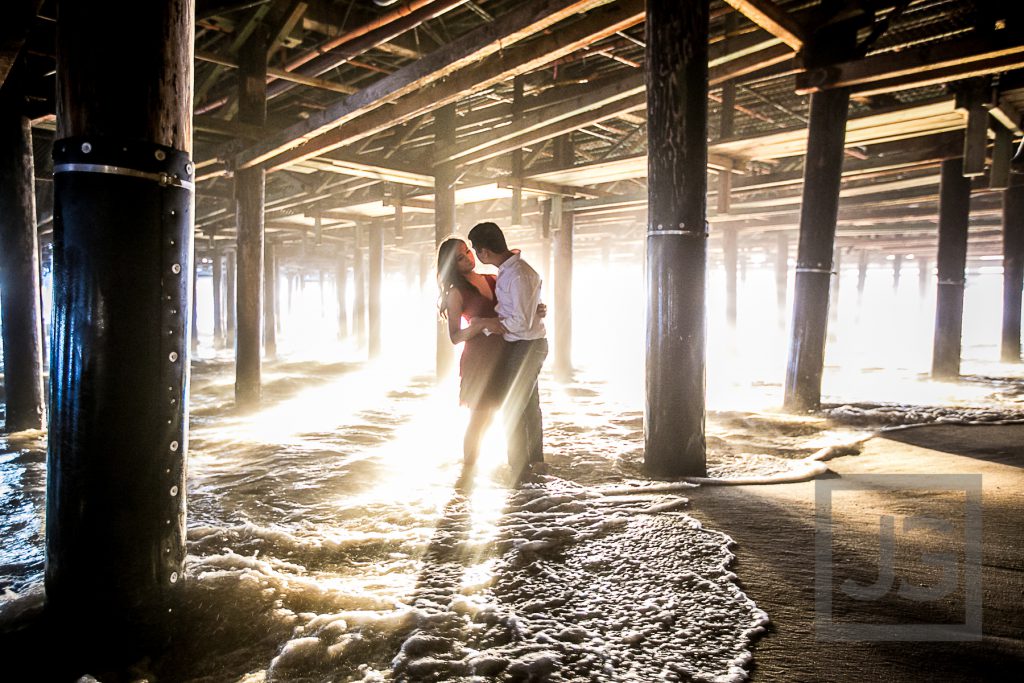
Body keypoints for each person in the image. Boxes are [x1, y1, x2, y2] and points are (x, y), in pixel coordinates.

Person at [467, 222, 548, 483]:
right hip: (521, 344)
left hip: (527, 345)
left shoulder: (519, 274)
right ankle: (533, 464)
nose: (476, 257)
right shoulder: (510, 271)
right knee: (528, 407)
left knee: (514, 406)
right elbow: (521, 311)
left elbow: (520, 324)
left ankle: (519, 471)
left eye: (475, 251)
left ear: (484, 252)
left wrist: (485, 325)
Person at [437, 237, 507, 472]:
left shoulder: (494, 279)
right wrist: (479, 325)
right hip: (478, 360)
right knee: (478, 419)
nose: (468, 258)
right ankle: (467, 474)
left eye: (467, 252)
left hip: (503, 354)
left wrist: (537, 309)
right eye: (460, 258)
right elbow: (455, 336)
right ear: (452, 266)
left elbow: (515, 308)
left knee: (493, 417)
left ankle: (476, 472)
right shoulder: (456, 293)